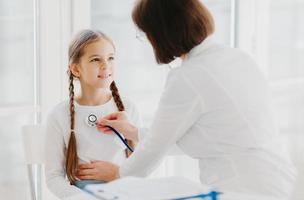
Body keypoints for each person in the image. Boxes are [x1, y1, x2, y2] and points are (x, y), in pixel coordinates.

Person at [78, 0, 296, 198]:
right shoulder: (237, 57)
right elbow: (206, 136)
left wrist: (118, 173)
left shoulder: (189, 76)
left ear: (161, 33)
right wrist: (133, 132)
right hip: (277, 179)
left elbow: (157, 146)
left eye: (146, 34)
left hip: (242, 187)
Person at [44, 29, 141, 199]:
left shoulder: (128, 109)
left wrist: (118, 173)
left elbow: (142, 167)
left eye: (110, 58)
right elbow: (53, 177)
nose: (106, 65)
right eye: (96, 59)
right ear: (76, 69)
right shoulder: (59, 115)